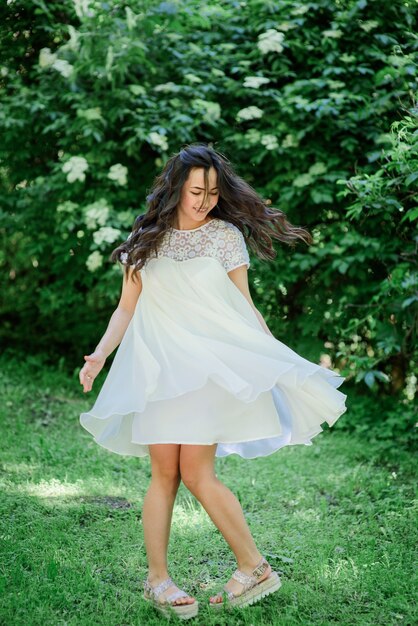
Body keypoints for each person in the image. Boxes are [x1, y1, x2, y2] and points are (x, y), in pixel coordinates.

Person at [79, 143, 347, 620]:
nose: (204, 200)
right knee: (163, 474)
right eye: (196, 190)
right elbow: (126, 307)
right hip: (158, 372)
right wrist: (100, 355)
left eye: (212, 191)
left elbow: (243, 307)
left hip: (205, 372)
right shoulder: (147, 238)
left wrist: (276, 359)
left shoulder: (224, 237)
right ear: (177, 187)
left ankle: (254, 567)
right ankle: (157, 581)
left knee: (198, 474)